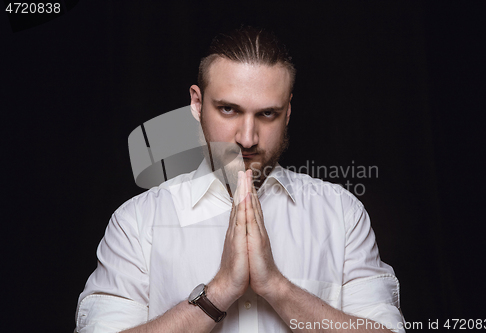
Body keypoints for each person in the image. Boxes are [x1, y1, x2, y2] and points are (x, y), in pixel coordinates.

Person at [75, 26, 405, 333]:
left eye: (267, 114)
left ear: (288, 112)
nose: (247, 139)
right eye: (229, 110)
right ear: (197, 103)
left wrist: (277, 287)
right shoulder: (137, 222)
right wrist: (218, 293)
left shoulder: (342, 215)